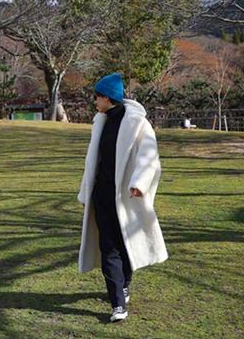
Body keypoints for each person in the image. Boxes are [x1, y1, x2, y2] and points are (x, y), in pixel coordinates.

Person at [77, 73, 168, 322]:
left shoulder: (138, 123)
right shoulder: (100, 121)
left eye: (97, 96)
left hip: (127, 197)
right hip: (102, 197)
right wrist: (86, 191)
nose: (94, 101)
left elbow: (149, 155)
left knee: (125, 245)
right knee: (109, 248)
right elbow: (92, 163)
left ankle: (124, 285)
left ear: (107, 97)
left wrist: (139, 183)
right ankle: (118, 304)